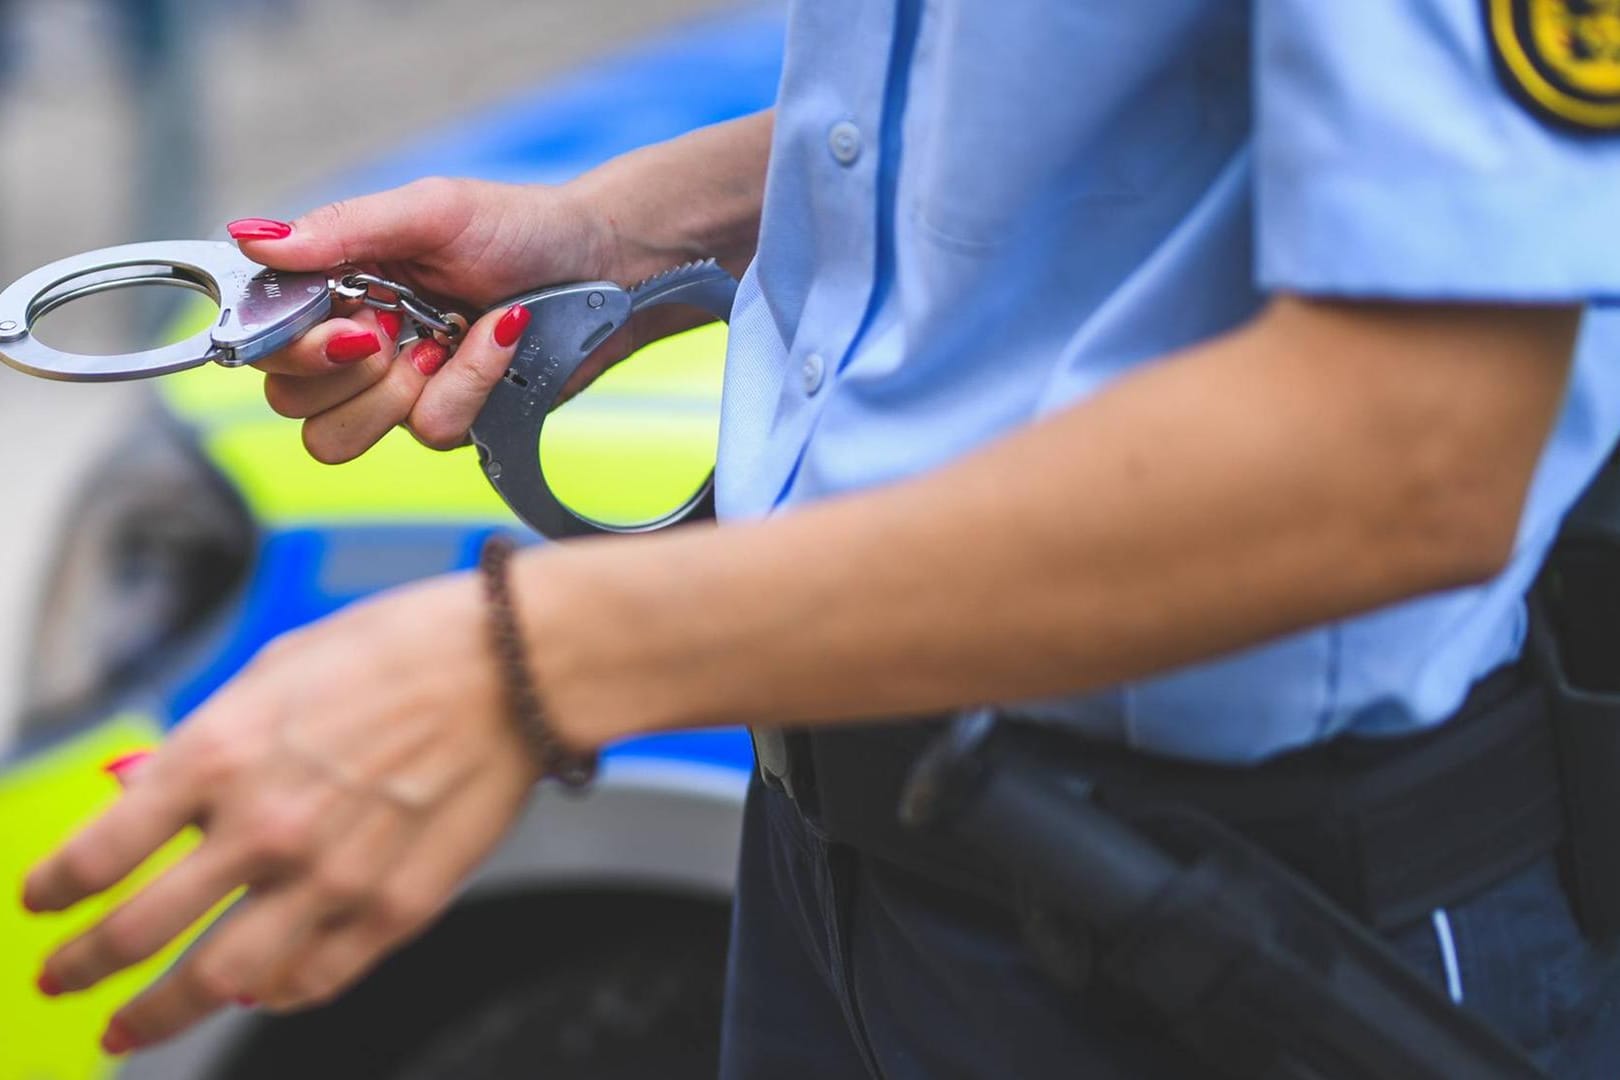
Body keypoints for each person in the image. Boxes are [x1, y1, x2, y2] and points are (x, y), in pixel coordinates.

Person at [22, 1, 1620, 1075]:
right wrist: (605, 228)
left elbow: (1413, 451)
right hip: (842, 866)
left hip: (1245, 928)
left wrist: (527, 662)